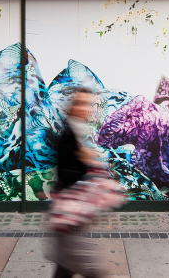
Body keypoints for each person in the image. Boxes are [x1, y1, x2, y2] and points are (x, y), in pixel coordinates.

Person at [51, 87, 105, 278]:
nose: (85, 108)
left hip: (70, 211)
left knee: (66, 266)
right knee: (89, 269)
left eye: (88, 104)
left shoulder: (77, 130)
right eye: (80, 104)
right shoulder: (69, 135)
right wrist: (87, 162)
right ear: (73, 107)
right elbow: (67, 174)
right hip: (69, 210)